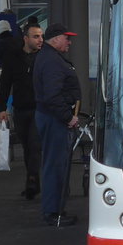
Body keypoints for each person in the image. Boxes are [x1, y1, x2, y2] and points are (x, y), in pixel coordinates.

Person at [33, 23, 81, 227]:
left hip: (51, 117)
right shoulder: (52, 61)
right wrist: (67, 117)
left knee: (55, 163)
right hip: (54, 119)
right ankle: (53, 211)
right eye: (66, 38)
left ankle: (55, 208)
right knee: (55, 164)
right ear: (55, 39)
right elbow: (52, 96)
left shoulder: (49, 57)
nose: (69, 42)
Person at [0, 22, 44, 200]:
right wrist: (1, 108)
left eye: (41, 36)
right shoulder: (13, 57)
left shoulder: (44, 57)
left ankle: (32, 179)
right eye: (36, 36)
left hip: (39, 109)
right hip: (21, 108)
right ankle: (33, 179)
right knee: (26, 146)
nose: (40, 40)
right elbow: (4, 83)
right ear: (26, 38)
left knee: (34, 144)